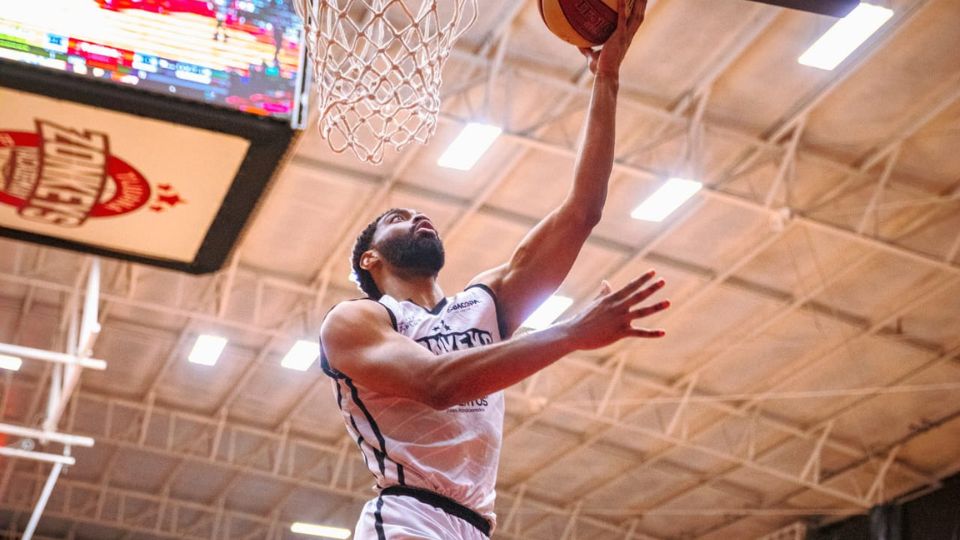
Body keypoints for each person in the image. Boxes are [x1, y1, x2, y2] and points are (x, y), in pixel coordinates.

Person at [319, 1, 666, 538]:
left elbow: (582, 212)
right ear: (372, 258)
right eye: (398, 218)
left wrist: (609, 78)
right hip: (407, 515)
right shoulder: (356, 321)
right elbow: (435, 385)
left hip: (475, 526)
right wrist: (572, 332)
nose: (419, 216)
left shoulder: (484, 303)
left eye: (419, 212)